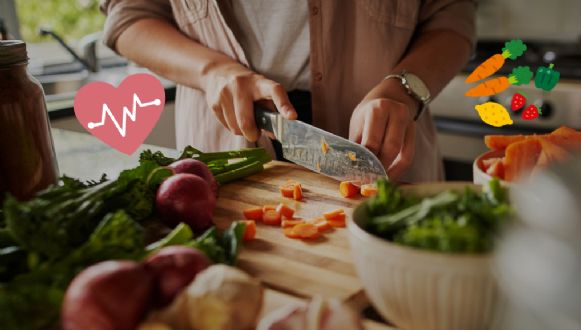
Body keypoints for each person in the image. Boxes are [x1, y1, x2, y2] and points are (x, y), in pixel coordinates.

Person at [100, 1, 475, 182]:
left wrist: (403, 89)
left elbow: (452, 19)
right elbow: (129, 17)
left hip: (385, 153)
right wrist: (212, 71)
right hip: (229, 148)